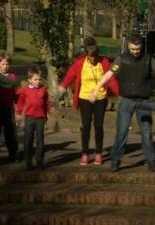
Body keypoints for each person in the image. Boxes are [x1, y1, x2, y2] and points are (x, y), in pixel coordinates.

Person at [90, 34, 155, 172]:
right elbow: (109, 74)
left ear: (141, 47)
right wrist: (97, 88)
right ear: (128, 46)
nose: (135, 51)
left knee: (146, 133)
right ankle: (115, 160)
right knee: (122, 131)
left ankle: (151, 160)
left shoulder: (148, 58)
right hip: (126, 101)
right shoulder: (121, 59)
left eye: (138, 49)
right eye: (132, 49)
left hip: (143, 101)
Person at [58, 37, 119, 166]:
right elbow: (70, 75)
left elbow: (111, 80)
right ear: (87, 55)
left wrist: (120, 94)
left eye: (95, 57)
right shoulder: (80, 63)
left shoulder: (104, 62)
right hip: (84, 98)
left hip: (100, 98)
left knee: (98, 126)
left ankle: (98, 152)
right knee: (86, 125)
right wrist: (63, 86)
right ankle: (85, 153)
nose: (93, 60)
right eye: (90, 58)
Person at [15, 66, 50, 171]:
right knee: (28, 140)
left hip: (40, 118)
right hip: (29, 118)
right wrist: (18, 113)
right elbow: (20, 102)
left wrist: (47, 113)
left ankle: (39, 162)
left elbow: (47, 103)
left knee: (40, 140)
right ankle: (28, 161)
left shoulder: (43, 89)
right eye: (35, 79)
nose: (38, 81)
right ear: (29, 80)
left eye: (39, 79)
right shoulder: (25, 89)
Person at [0, 53, 19, 162]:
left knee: (11, 133)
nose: (5, 66)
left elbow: (16, 92)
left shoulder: (12, 77)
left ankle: (13, 154)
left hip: (8, 108)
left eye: (7, 64)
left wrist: (18, 107)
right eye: (3, 64)